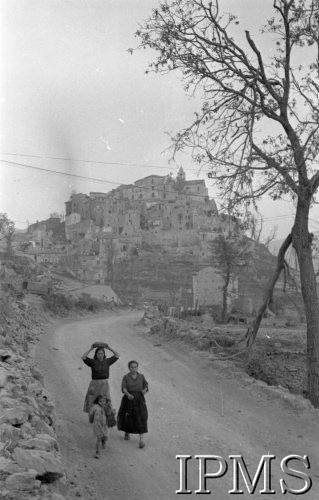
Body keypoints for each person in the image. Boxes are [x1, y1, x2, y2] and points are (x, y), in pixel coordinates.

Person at [117, 360, 149, 449]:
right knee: (128, 417)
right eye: (132, 367)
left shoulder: (141, 376)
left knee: (141, 417)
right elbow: (124, 388)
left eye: (135, 367)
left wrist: (144, 390)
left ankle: (141, 440)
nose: (134, 369)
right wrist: (128, 394)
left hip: (139, 399)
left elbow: (146, 385)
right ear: (129, 368)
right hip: (129, 399)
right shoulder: (126, 377)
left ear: (137, 367)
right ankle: (127, 432)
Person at [82, 343, 119, 415]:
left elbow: (117, 355)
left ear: (104, 354)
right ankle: (92, 414)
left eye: (102, 353)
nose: (100, 355)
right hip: (94, 383)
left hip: (104, 384)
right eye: (98, 353)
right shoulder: (92, 362)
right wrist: (91, 348)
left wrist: (109, 348)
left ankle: (106, 414)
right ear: (96, 354)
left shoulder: (107, 361)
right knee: (92, 398)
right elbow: (84, 357)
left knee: (105, 399)